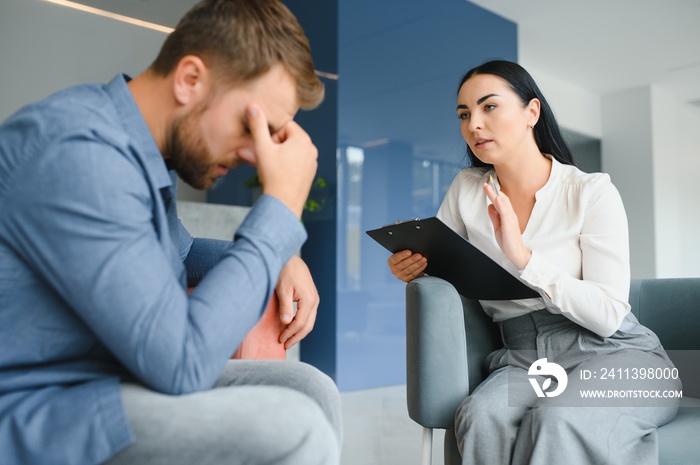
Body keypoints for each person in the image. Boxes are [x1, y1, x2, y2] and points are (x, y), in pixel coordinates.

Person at [0, 1, 342, 464]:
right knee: (292, 427)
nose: (253, 155)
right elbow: (181, 363)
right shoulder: (80, 153)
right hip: (39, 407)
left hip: (103, 380)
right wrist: (278, 213)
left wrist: (283, 255)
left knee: (310, 389)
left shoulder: (138, 153)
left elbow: (182, 255)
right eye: (250, 126)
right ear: (189, 80)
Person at [388, 60, 680, 464]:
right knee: (480, 417)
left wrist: (525, 259)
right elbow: (455, 274)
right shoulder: (466, 190)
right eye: (464, 114)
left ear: (532, 112)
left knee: (560, 418)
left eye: (489, 107)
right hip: (524, 358)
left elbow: (609, 315)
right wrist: (417, 267)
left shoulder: (591, 192)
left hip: (614, 354)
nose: (474, 124)